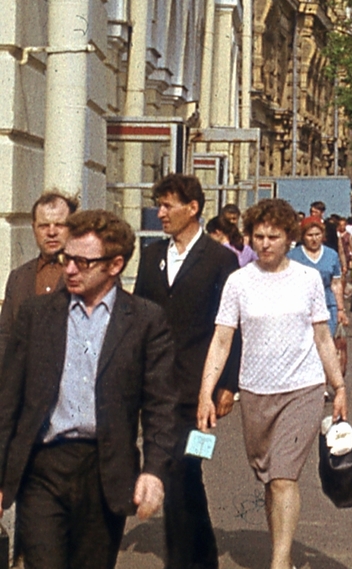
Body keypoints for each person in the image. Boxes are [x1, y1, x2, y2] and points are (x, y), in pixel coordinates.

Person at [0, 209, 177, 569]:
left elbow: (161, 403)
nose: (69, 269)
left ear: (114, 265)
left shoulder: (144, 320)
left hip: (105, 469)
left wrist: (154, 470)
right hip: (43, 467)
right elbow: (8, 401)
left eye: (82, 262)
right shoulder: (37, 315)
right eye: (67, 258)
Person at [198, 198, 346, 569]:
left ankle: (279, 562)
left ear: (288, 239)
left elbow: (322, 336)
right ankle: (281, 549)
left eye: (273, 237)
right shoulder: (239, 282)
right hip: (256, 390)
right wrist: (206, 393)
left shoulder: (307, 279)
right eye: (258, 236)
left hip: (303, 387)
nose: (265, 244)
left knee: (283, 476)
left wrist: (339, 385)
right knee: (268, 476)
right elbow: (221, 339)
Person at [134, 173, 241, 569]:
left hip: (201, 390)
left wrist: (227, 385)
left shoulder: (221, 260)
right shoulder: (150, 256)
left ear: (192, 208)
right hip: (157, 385)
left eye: (167, 206)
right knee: (168, 468)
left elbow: (231, 328)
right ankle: (196, 555)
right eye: (158, 205)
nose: (160, 213)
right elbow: (139, 318)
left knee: (186, 469)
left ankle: (191, 558)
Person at [0, 190, 77, 367]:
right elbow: (5, 336)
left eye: (59, 225)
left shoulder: (88, 273)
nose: (51, 232)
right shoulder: (18, 277)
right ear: (34, 228)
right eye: (44, 226)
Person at [290, 221, 348, 376]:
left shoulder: (331, 255)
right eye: (310, 235)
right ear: (303, 236)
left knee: (325, 344)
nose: (314, 239)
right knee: (306, 345)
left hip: (327, 304)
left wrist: (340, 309)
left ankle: (322, 382)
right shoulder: (293, 256)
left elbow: (336, 283)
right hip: (301, 305)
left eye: (317, 235)